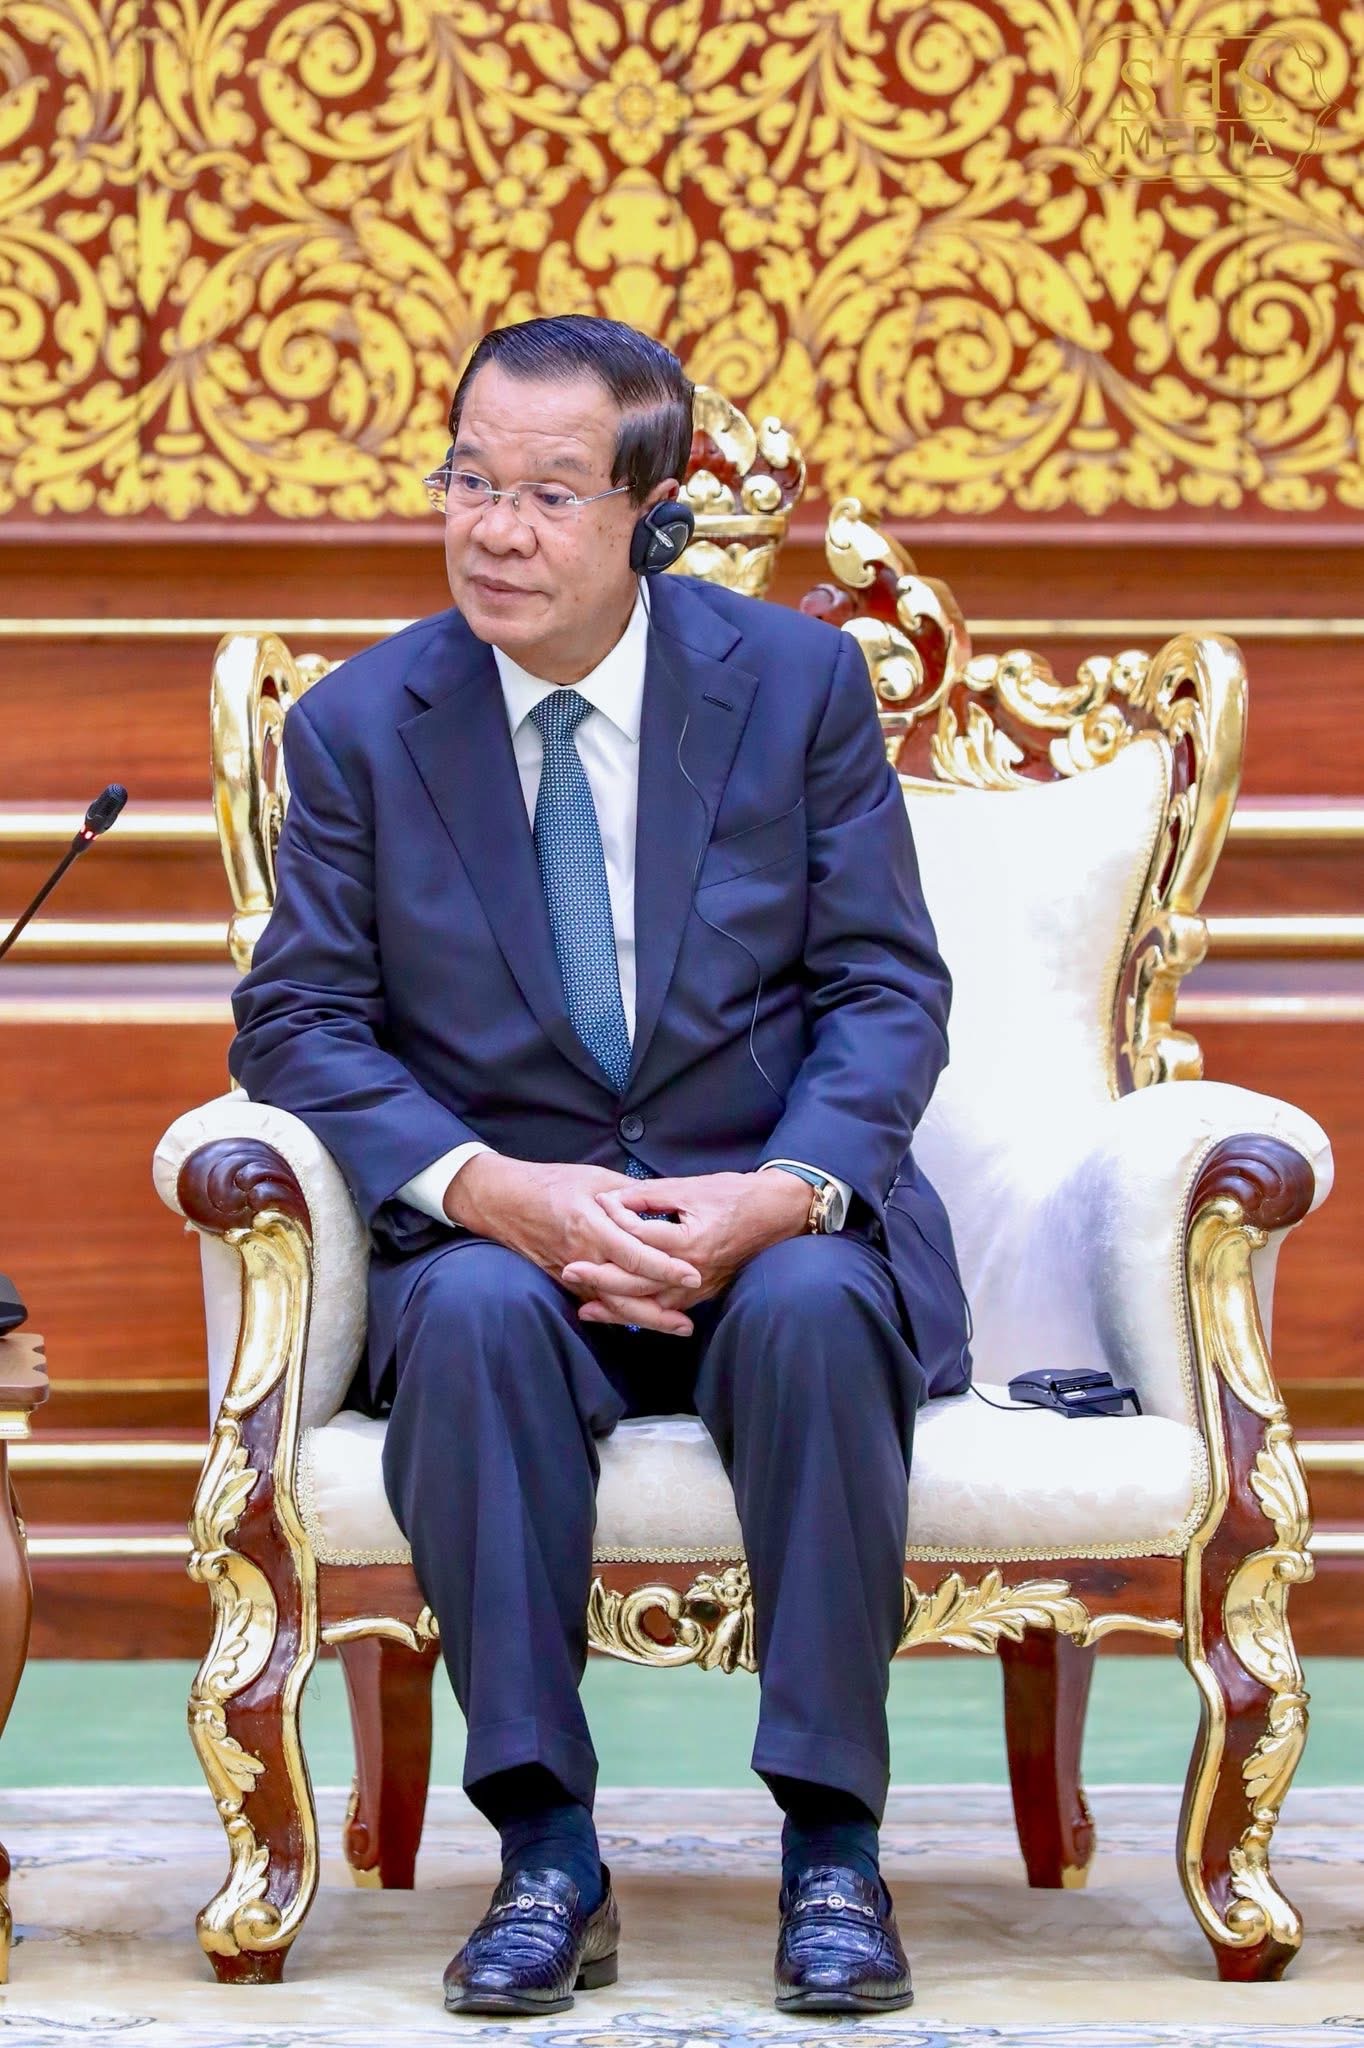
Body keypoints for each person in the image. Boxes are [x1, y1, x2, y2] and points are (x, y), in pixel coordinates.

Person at [229, 314, 971, 2017]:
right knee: (473, 1318)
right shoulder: (361, 726)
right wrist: (488, 1187)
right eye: (469, 482)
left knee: (814, 1306)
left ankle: (834, 1850)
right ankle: (547, 1854)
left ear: (651, 515)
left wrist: (780, 1193)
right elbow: (297, 1020)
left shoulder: (792, 688)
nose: (495, 531)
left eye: (550, 494)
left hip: (763, 1215)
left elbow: (885, 987)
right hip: (511, 1235)